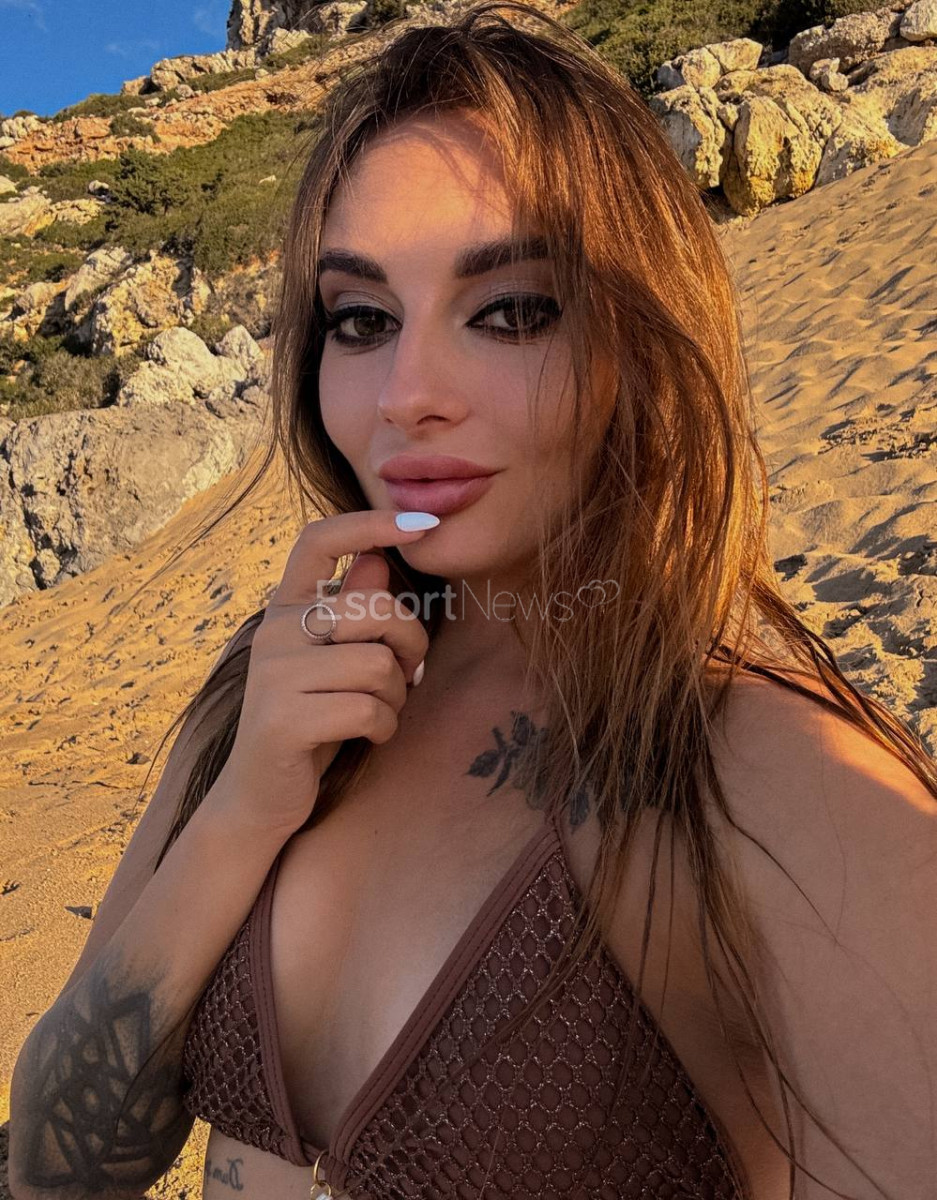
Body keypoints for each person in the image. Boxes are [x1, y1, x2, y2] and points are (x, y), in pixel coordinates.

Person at [9, 4, 937, 1199]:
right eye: (362, 321)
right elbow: (55, 1168)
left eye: (510, 310)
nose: (407, 393)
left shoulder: (763, 771)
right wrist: (242, 808)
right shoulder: (274, 680)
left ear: (637, 341)